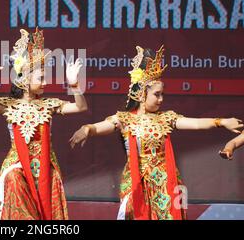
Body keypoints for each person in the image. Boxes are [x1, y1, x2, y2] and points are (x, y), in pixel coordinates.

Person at [69, 45, 243, 220]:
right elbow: (100, 127)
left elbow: (196, 123)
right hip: (137, 183)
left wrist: (221, 122)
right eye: (157, 94)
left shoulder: (166, 118)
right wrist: (87, 129)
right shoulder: (124, 119)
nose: (161, 99)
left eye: (162, 94)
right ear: (142, 94)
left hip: (166, 183)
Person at [0, 28, 88, 220]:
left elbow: (80, 107)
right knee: (13, 181)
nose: (46, 82)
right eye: (41, 77)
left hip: (46, 166)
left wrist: (74, 84)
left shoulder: (49, 105)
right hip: (18, 165)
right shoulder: (9, 105)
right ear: (24, 79)